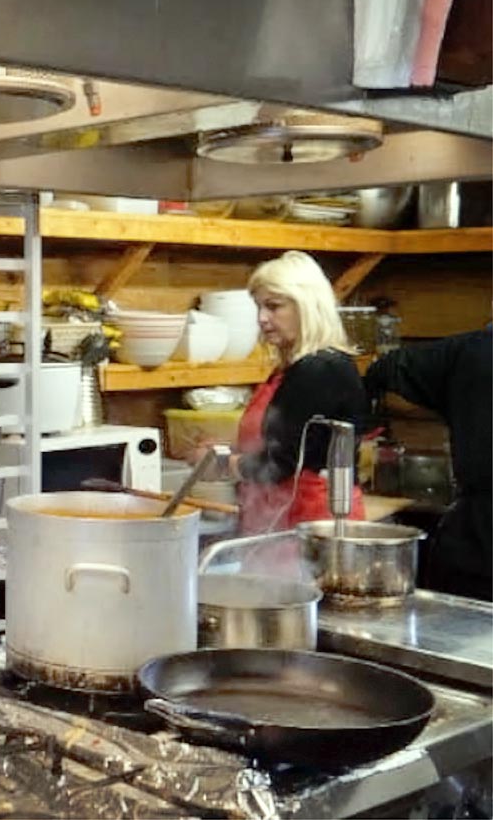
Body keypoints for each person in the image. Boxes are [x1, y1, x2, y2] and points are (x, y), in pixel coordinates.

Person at [190, 250, 370, 537]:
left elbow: (279, 465)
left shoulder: (319, 369)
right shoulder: (293, 369)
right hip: (277, 516)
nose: (261, 318)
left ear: (306, 307)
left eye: (273, 306)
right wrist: (229, 449)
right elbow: (289, 440)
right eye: (259, 307)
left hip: (313, 522)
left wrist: (219, 463)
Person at [364, 326, 492, 601]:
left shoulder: (468, 351)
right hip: (473, 543)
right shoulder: (468, 350)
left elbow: (383, 369)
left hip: (473, 547)